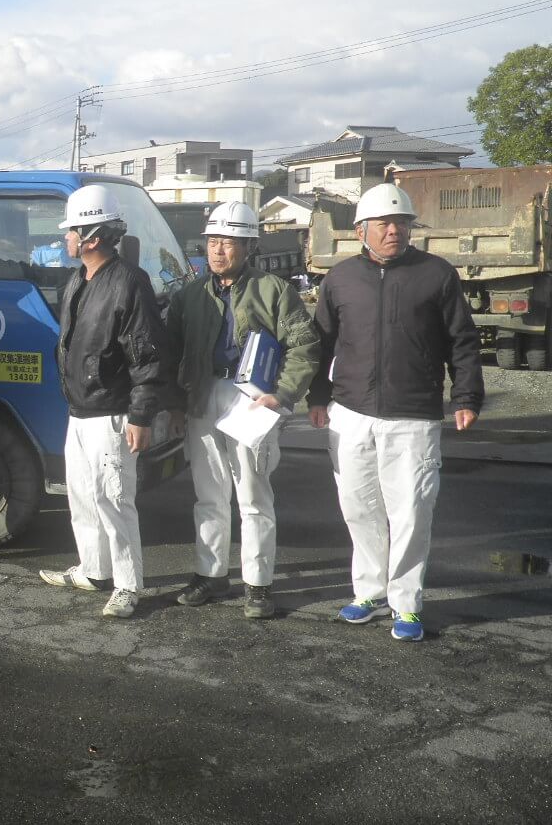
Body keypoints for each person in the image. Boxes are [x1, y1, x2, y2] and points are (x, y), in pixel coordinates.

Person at [307, 183, 483, 642]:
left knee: (410, 510)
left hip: (414, 416)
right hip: (351, 412)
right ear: (362, 230)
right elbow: (321, 343)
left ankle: (406, 603)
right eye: (384, 223)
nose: (394, 231)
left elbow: (462, 341)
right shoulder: (340, 279)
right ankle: (368, 592)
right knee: (359, 507)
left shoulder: (437, 275)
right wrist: (316, 397)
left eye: (401, 223)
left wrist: (466, 397)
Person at [166, 201, 320, 618]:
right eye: (213, 241)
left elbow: (304, 347)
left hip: (253, 400)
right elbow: (171, 352)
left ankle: (258, 584)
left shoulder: (274, 290)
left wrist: (283, 395)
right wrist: (176, 404)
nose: (218, 250)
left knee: (253, 496)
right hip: (203, 395)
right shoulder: (190, 296)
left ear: (249, 245)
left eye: (228, 242)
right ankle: (210, 574)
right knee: (208, 494)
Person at [38, 184, 168, 619]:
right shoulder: (80, 279)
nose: (66, 238)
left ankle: (128, 585)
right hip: (79, 412)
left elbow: (146, 356)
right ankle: (94, 571)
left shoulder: (130, 282)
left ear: (92, 236)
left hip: (112, 415)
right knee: (82, 496)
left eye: (72, 231)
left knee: (115, 499)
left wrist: (140, 415)